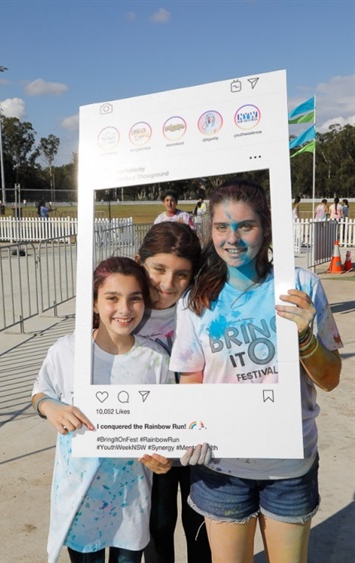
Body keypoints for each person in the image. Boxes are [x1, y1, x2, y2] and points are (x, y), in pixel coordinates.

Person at [170, 179, 342, 563]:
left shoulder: (299, 286)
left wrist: (305, 338)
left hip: (289, 465)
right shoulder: (196, 300)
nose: (232, 238)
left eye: (245, 226)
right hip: (221, 466)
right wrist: (191, 429)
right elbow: (190, 381)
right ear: (210, 230)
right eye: (221, 227)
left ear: (265, 228)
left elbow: (330, 380)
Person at [31, 256, 175, 563]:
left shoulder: (155, 359)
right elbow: (40, 391)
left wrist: (166, 457)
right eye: (112, 298)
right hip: (79, 500)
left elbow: (169, 423)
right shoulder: (67, 351)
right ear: (94, 303)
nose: (124, 309)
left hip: (130, 501)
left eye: (134, 299)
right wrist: (50, 407)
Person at [135, 222, 211, 563]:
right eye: (158, 269)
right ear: (140, 262)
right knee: (159, 525)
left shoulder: (200, 310)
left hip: (199, 441)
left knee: (200, 525)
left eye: (181, 275)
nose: (168, 284)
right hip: (150, 446)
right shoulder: (121, 312)